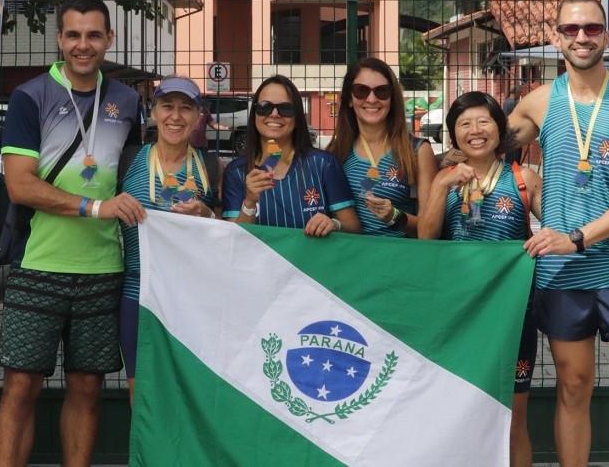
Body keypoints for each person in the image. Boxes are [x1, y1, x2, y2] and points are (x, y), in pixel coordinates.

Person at [509, 0, 609, 466]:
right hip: (562, 274)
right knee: (573, 388)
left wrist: (577, 237)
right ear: (555, 38)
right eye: (572, 29)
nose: (582, 37)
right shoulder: (536, 104)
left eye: (592, 29)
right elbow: (482, 142)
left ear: (608, 36)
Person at [0, 0, 147, 467]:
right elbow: (19, 185)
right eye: (74, 35)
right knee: (22, 385)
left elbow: (133, 180)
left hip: (102, 268)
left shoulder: (126, 99)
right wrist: (94, 207)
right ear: (59, 39)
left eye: (93, 35)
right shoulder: (31, 96)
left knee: (87, 387)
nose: (84, 45)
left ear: (109, 40)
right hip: (37, 262)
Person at [418, 91, 541, 467]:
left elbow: (562, 228)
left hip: (513, 317)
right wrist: (442, 184)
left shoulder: (525, 179)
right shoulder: (443, 179)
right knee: (459, 413)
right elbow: (425, 237)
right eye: (464, 124)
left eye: (484, 121)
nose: (475, 131)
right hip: (459, 318)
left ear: (499, 128)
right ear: (453, 135)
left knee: (514, 417)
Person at [119, 76, 222, 403]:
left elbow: (223, 236)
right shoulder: (129, 159)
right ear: (153, 113)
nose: (175, 117)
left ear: (197, 116)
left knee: (185, 392)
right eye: (167, 107)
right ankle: (145, 457)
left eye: (185, 108)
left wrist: (206, 216)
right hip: (137, 292)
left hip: (189, 297)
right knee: (141, 391)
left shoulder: (209, 165)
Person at [223, 75, 360, 235]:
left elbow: (353, 226)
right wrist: (250, 203)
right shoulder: (236, 171)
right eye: (264, 107)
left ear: (297, 118)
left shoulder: (323, 164)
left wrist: (334, 224)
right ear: (254, 114)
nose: (274, 114)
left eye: (285, 108)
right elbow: (233, 238)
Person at [326, 57, 438, 237]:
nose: (371, 99)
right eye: (361, 91)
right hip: (349, 259)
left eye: (382, 91)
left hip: (398, 260)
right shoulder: (336, 151)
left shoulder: (417, 151)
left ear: (392, 99)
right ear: (348, 99)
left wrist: (396, 216)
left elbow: (430, 228)